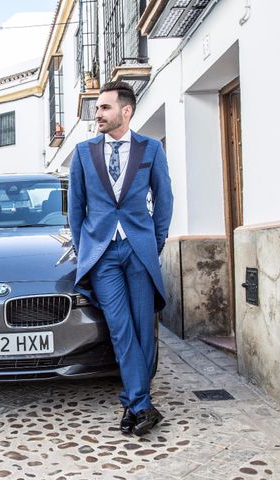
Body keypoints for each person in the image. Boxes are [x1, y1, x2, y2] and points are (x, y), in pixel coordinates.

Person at [68, 81, 173, 436]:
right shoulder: (83, 152)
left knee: (144, 327)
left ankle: (135, 403)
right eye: (97, 108)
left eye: (104, 108)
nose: (97, 114)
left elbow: (164, 201)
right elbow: (75, 210)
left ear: (125, 111)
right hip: (103, 254)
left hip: (139, 250)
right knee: (120, 327)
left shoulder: (151, 149)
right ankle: (142, 405)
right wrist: (86, 250)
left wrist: (153, 244)